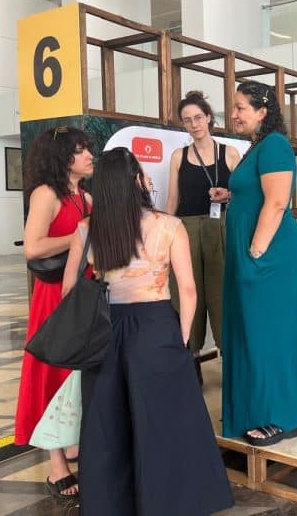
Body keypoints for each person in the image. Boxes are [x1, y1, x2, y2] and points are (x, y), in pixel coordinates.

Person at [63, 148, 234, 516]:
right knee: (165, 421)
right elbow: (188, 290)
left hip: (105, 330)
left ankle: (110, 504)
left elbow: (68, 292)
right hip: (156, 326)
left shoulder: (87, 228)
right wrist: (182, 338)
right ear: (136, 180)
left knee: (107, 423)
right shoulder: (169, 226)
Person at [222, 80, 297, 445]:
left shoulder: (274, 144)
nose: (233, 114)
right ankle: (253, 407)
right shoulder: (257, 146)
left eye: (240, 107)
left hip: (268, 255)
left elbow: (276, 203)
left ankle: (280, 416)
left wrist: (255, 253)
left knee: (269, 333)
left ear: (262, 111)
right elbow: (256, 195)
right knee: (252, 331)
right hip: (253, 252)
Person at [15, 126, 94, 503]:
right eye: (81, 151)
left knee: (78, 375)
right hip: (53, 298)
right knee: (52, 374)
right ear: (63, 157)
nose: (89, 156)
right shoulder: (47, 194)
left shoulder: (84, 196)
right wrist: (79, 235)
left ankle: (75, 442)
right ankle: (57, 464)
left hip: (83, 293)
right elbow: (32, 247)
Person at [166, 90, 241, 383]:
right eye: (187, 120)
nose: (194, 124)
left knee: (223, 296)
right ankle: (192, 364)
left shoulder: (229, 153)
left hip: (220, 229)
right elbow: (173, 201)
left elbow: (246, 195)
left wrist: (228, 195)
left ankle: (231, 365)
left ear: (209, 118)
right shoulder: (179, 156)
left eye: (198, 117)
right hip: (185, 231)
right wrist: (164, 238)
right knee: (187, 296)